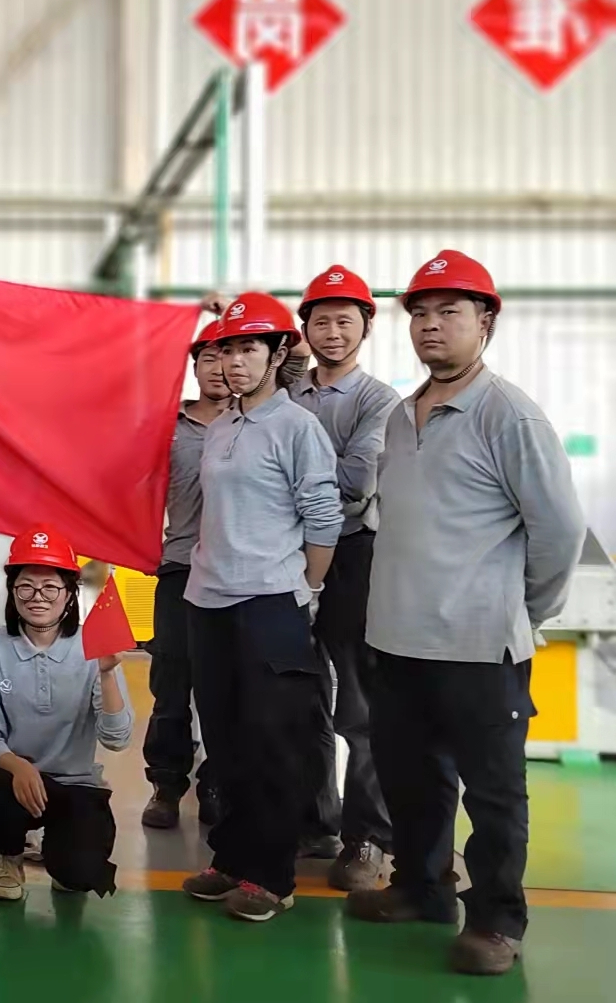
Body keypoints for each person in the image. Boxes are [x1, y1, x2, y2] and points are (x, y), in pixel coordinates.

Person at [347, 251, 584, 976]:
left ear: (485, 323)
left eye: (449, 311)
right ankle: (422, 889)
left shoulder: (509, 415)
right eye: (419, 313)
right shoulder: (399, 415)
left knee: (492, 795)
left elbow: (559, 531)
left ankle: (496, 921)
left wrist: (520, 609)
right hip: (397, 641)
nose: (430, 325)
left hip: (481, 649)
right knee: (411, 780)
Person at [179, 291, 343, 923]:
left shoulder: (297, 427)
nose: (234, 362)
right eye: (226, 350)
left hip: (270, 601)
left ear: (278, 354)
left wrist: (306, 590)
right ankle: (232, 858)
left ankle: (272, 877)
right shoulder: (221, 426)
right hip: (208, 600)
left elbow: (323, 518)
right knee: (225, 742)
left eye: (248, 348)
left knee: (272, 743)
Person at [291, 267, 402, 888]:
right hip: (285, 558)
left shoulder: (378, 400)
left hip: (354, 556)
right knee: (299, 695)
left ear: (367, 326)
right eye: (321, 321)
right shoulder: (288, 393)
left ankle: (369, 838)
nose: (332, 332)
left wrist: (288, 469)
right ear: (305, 329)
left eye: (344, 321)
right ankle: (314, 822)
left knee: (360, 705)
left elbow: (359, 482)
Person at [0, 526, 133, 900]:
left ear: (69, 593)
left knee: (79, 876)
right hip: (14, 780)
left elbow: (117, 739)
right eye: (25, 587)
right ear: (12, 591)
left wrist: (107, 674)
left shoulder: (95, 646)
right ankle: (10, 856)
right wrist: (18, 766)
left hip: (76, 782)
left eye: (50, 587)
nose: (37, 597)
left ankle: (59, 849)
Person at [142, 320, 227, 831]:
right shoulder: (167, 426)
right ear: (194, 367)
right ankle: (166, 784)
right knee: (171, 683)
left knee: (223, 687)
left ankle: (216, 783)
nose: (219, 367)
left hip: (236, 576)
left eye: (229, 354)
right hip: (177, 566)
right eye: (207, 358)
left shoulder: (256, 421)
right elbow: (136, 490)